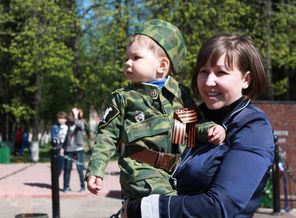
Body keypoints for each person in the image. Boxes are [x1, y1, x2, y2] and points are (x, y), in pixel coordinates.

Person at [123, 34, 275, 217]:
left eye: (221, 72)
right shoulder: (186, 116)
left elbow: (220, 205)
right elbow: (171, 164)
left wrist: (140, 209)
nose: (209, 82)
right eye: (204, 71)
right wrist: (138, 153)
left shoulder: (253, 127)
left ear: (246, 80)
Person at [85, 19, 225, 200]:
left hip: (177, 170)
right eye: (126, 58)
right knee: (167, 203)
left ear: (162, 66)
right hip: (140, 171)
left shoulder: (179, 95)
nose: (128, 63)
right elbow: (106, 136)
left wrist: (211, 129)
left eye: (136, 58)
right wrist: (96, 169)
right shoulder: (124, 98)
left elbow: (190, 131)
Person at [63, 108, 86, 193]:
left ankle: (83, 186)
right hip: (69, 149)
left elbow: (82, 126)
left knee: (80, 168)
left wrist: (76, 116)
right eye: (70, 115)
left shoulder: (81, 122)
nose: (71, 117)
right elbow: (65, 137)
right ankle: (66, 187)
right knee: (67, 168)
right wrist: (63, 147)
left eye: (73, 115)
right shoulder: (67, 124)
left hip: (78, 149)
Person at [50, 111, 68, 176]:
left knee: (66, 167)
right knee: (59, 166)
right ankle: (55, 181)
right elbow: (53, 138)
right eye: (59, 118)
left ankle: (65, 185)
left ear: (66, 119)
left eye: (62, 118)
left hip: (66, 147)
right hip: (58, 147)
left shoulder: (67, 128)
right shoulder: (55, 127)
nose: (61, 120)